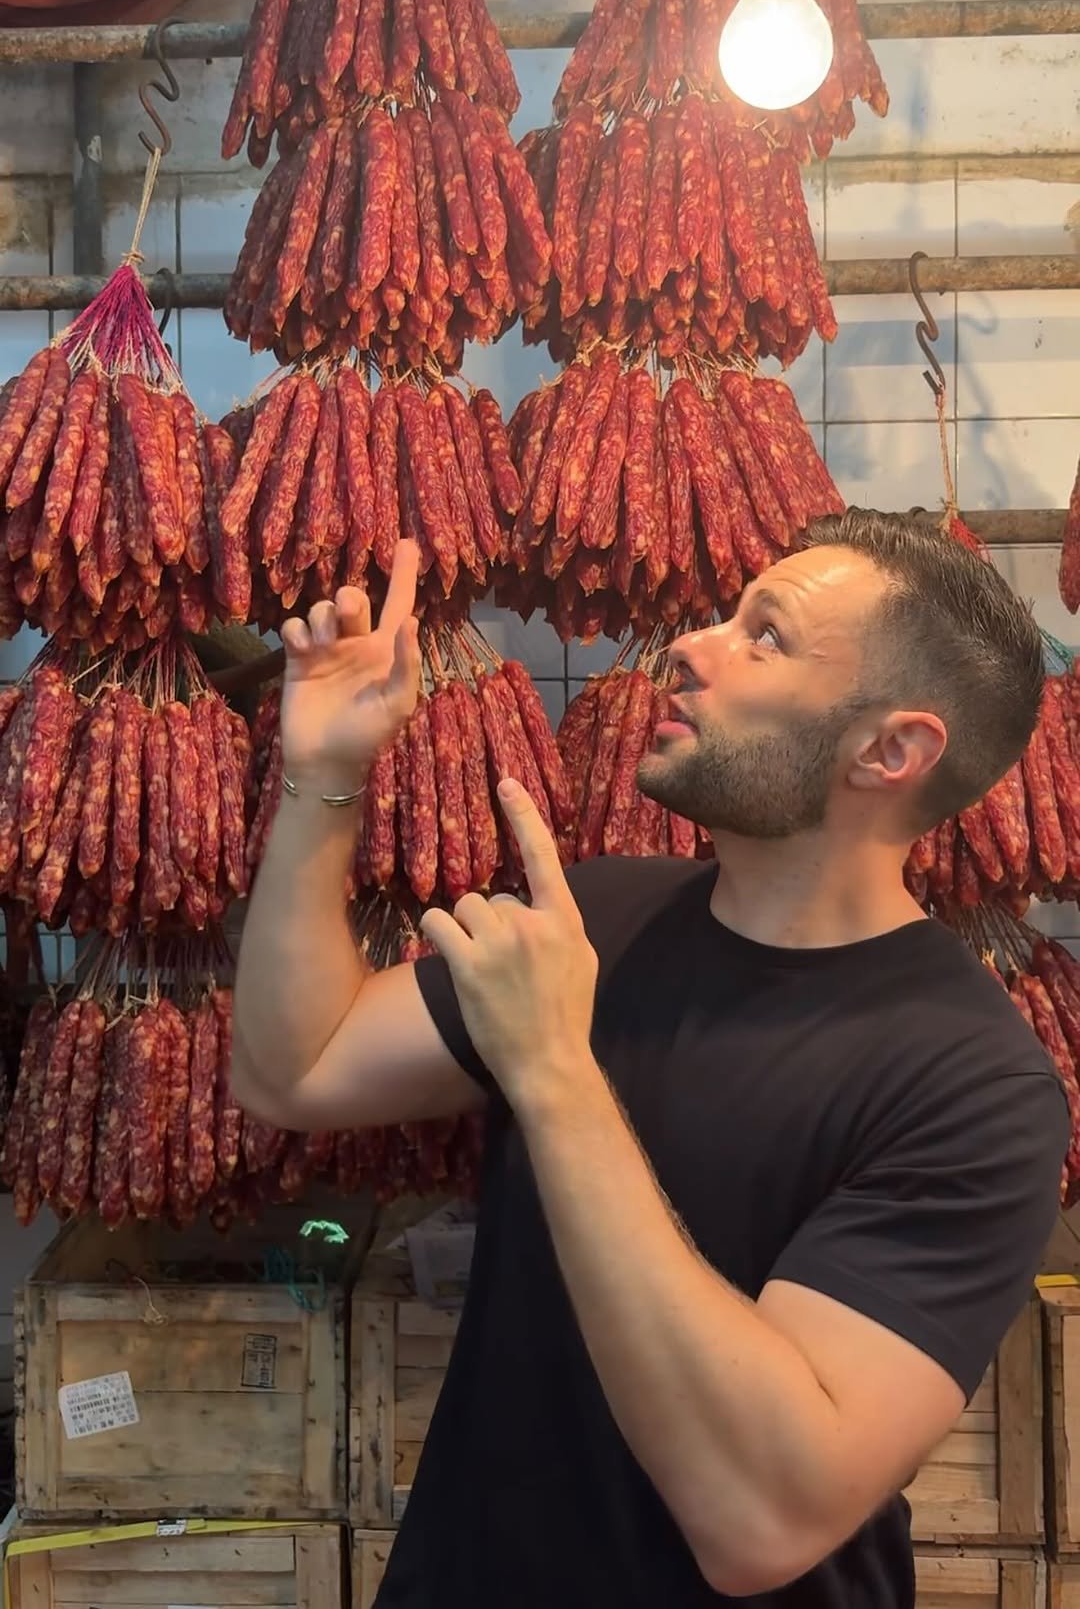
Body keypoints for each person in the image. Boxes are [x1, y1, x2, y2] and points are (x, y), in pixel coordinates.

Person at [233, 511, 1067, 1609]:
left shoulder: (975, 1085)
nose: (691, 643)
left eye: (764, 635)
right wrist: (322, 777)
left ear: (892, 750)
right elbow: (297, 1069)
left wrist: (555, 1071)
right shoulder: (599, 913)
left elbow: (760, 1517)